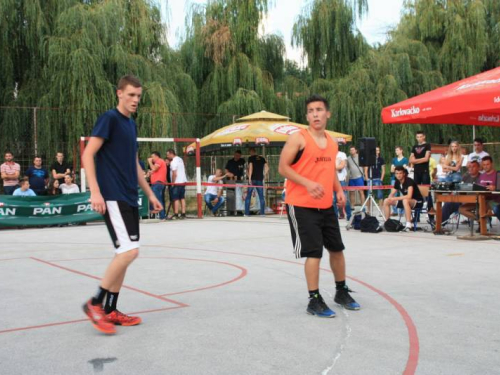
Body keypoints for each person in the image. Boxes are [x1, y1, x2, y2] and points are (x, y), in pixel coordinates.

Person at [81, 75, 162, 335]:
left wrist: (150, 194)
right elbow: (88, 154)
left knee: (125, 254)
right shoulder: (110, 119)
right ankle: (95, 304)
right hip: (112, 195)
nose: (136, 100)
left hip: (129, 197)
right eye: (131, 95)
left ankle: (111, 309)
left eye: (138, 96)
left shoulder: (131, 125)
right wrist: (95, 191)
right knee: (129, 252)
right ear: (119, 94)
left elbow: (135, 165)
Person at [279, 94, 360, 318]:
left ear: (327, 113)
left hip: (326, 205)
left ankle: (341, 291)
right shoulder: (299, 139)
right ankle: (314, 299)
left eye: (319, 110)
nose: (315, 114)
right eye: (311, 111)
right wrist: (307, 183)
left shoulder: (332, 143)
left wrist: (339, 191)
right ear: (307, 116)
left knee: (337, 249)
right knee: (314, 252)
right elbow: (283, 168)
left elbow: (330, 171)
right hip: (301, 205)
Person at [383, 166, 424, 232]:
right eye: (396, 173)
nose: (398, 175)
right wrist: (390, 197)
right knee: (386, 201)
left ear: (404, 174)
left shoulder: (409, 181)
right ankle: (387, 223)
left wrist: (396, 198)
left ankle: (408, 225)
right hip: (406, 202)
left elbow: (409, 196)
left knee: (405, 200)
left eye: (400, 173)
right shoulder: (397, 182)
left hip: (417, 201)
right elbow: (391, 194)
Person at [441, 160, 480, 225]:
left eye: (473, 167)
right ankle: (440, 224)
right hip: (462, 201)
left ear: (478, 168)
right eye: (470, 167)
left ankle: (481, 222)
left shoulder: (481, 177)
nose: (471, 168)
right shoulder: (466, 176)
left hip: (476, 202)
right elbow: (459, 187)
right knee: (448, 203)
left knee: (480, 208)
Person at [459, 156, 498, 222]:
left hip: (491, 200)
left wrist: (495, 188)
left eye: (487, 164)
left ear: (492, 164)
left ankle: (482, 224)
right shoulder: (481, 176)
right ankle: (480, 221)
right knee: (461, 209)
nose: (485, 166)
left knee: (482, 207)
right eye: (484, 165)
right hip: (479, 199)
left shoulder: (497, 174)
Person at [245, 147, 268, 216]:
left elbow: (251, 167)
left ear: (251, 152)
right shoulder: (262, 158)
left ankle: (246, 213)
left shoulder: (251, 158)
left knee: (248, 196)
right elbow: (267, 167)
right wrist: (264, 174)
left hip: (253, 179)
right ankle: (262, 213)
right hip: (260, 179)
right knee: (261, 196)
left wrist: (249, 178)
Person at [166, 149, 187, 220]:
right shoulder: (180, 159)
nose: (167, 156)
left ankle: (176, 213)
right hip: (183, 181)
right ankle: (183, 213)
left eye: (168, 155)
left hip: (177, 182)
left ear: (171, 153)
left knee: (176, 199)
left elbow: (174, 174)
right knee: (182, 198)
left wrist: (172, 182)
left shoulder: (173, 162)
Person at [333, 146, 352, 220]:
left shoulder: (342, 154)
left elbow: (342, 165)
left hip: (341, 180)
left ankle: (349, 215)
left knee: (345, 199)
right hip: (332, 180)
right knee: (333, 200)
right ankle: (334, 217)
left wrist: (333, 167)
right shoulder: (329, 154)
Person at [148, 151, 167, 220]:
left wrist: (150, 162)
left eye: (152, 157)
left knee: (158, 199)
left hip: (158, 183)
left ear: (156, 156)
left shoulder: (159, 161)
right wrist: (150, 173)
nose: (151, 158)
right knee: (155, 198)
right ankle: (154, 213)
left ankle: (162, 216)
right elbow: (153, 171)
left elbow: (153, 168)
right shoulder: (157, 163)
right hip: (155, 184)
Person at [390, 146, 408, 216]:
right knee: (392, 194)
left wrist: (396, 168)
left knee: (402, 194)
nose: (396, 152)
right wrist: (399, 168)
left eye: (397, 150)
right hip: (394, 179)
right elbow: (392, 170)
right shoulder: (394, 159)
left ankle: (401, 211)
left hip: (402, 179)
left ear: (401, 151)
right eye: (395, 150)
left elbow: (404, 169)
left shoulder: (405, 159)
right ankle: (394, 210)